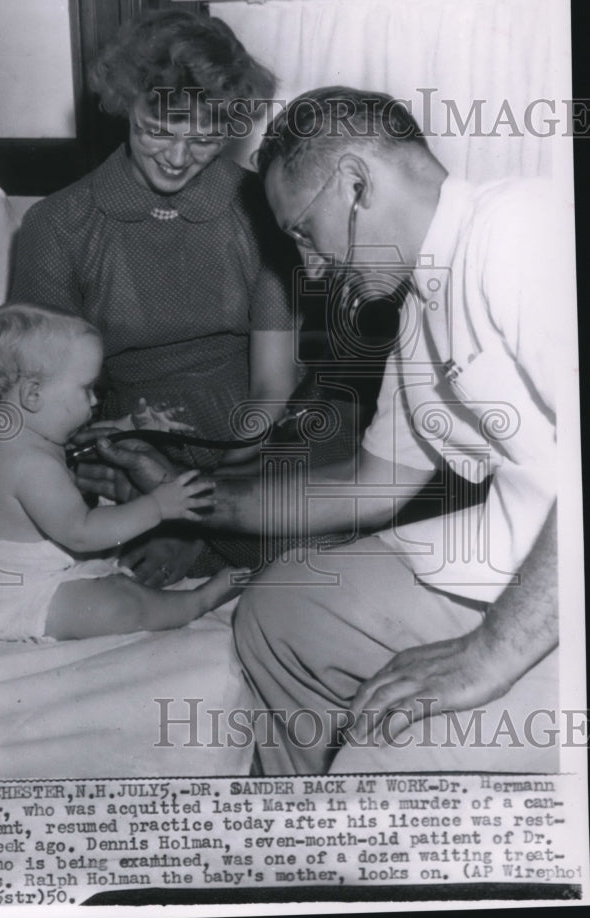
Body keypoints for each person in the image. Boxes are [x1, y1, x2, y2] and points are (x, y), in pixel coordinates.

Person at [86, 87, 567, 775]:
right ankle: (309, 849)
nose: (309, 267)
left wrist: (490, 652)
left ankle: (351, 827)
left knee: (379, 749)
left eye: (304, 233)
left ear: (355, 183)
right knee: (279, 609)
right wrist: (179, 493)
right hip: (524, 553)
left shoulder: (518, 231)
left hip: (549, 591)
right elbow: (370, 487)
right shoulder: (421, 301)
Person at [9, 9, 298, 586]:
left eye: (206, 138)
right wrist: (160, 494)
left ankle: (212, 543)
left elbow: (274, 383)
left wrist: (199, 513)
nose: (176, 156)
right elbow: (44, 398)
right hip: (125, 434)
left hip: (251, 430)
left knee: (336, 508)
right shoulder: (56, 224)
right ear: (126, 103)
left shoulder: (262, 208)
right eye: (159, 129)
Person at [0, 303, 247, 644]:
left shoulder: (20, 434)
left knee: (121, 553)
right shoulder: (29, 465)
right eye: (86, 389)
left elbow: (81, 441)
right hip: (27, 598)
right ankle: (198, 601)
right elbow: (81, 533)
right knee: (120, 604)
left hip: (51, 567)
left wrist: (131, 426)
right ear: (33, 394)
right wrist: (158, 506)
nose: (95, 401)